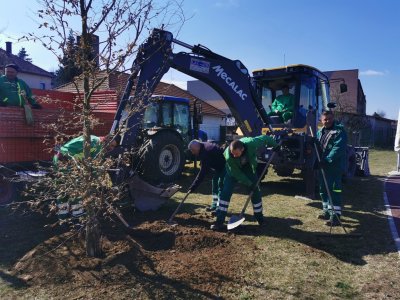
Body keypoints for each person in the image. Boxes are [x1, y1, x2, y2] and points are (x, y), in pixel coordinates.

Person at [211, 135, 278, 230]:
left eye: (236, 154)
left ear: (242, 149)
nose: (234, 155)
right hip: (232, 171)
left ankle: (260, 219)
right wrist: (249, 183)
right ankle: (219, 221)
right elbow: (236, 173)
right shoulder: (229, 156)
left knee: (256, 192)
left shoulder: (251, 143)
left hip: (248, 168)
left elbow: (265, 138)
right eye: (232, 153)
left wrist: (275, 145)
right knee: (225, 193)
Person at [53, 135, 119, 219]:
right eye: (111, 145)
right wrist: (103, 183)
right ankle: (77, 216)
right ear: (107, 139)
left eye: (114, 147)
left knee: (63, 189)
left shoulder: (94, 140)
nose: (112, 148)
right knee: (76, 189)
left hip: (59, 159)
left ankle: (62, 216)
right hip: (66, 161)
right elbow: (94, 167)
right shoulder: (96, 145)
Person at [316, 110, 347, 226]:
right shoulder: (320, 132)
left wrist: (327, 159)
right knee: (323, 189)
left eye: (329, 119)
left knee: (334, 190)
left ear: (333, 118)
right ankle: (327, 212)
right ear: (321, 120)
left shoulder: (339, 131)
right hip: (323, 166)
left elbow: (338, 148)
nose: (327, 121)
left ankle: (336, 216)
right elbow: (318, 147)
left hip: (334, 166)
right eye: (325, 119)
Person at [187, 140, 226, 212]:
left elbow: (202, 173)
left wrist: (193, 187)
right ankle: (214, 205)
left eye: (193, 150)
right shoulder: (202, 146)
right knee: (214, 184)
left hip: (225, 166)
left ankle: (219, 208)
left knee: (221, 185)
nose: (193, 152)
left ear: (197, 147)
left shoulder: (206, 151)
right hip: (217, 167)